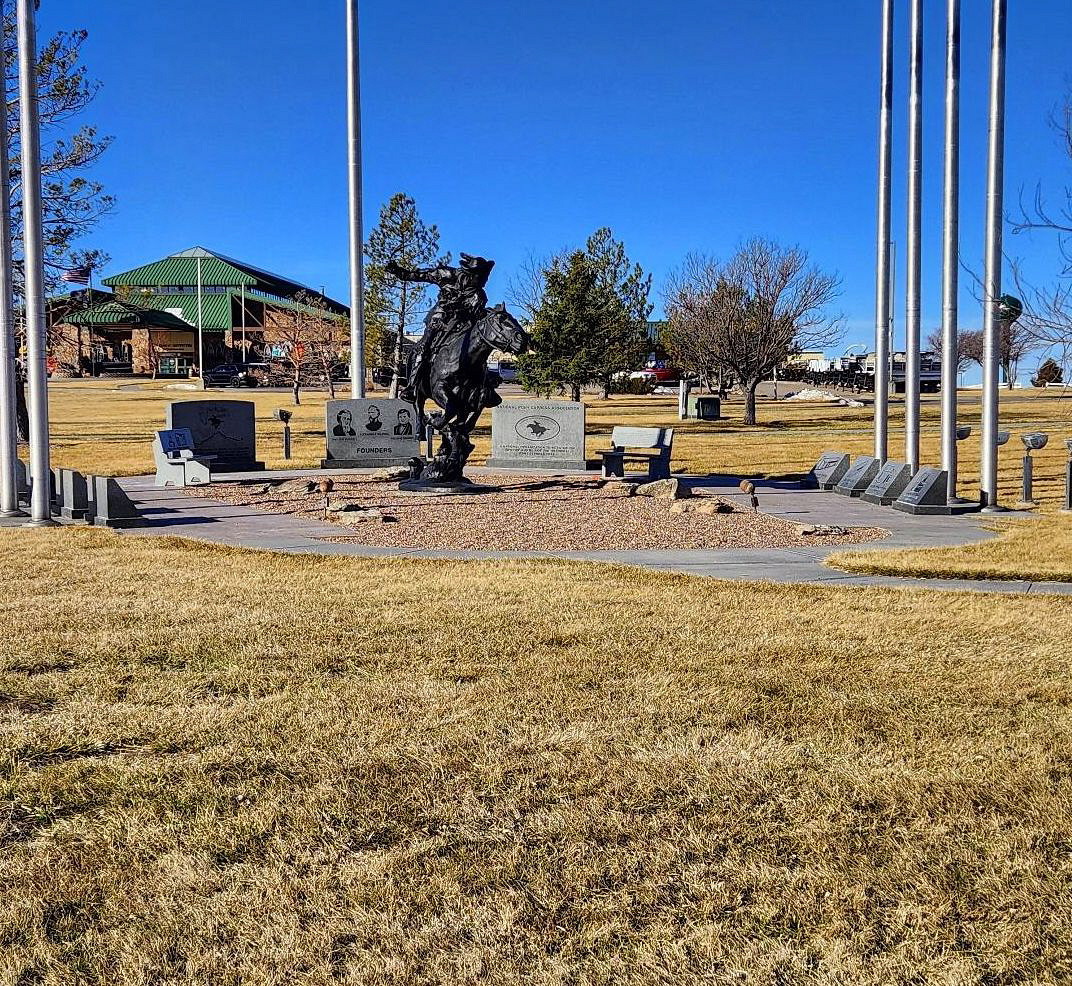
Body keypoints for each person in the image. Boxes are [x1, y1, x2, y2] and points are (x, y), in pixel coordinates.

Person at [385, 253, 495, 403]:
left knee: (476, 349)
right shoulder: (447, 275)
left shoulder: (479, 295)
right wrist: (400, 272)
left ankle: (485, 383)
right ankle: (412, 387)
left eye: (486, 279)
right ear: (471, 274)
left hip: (462, 326)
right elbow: (420, 275)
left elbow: (478, 317)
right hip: (440, 319)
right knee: (425, 346)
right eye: (482, 278)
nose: (483, 283)